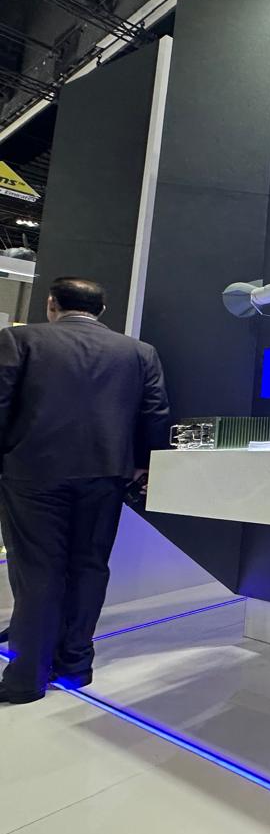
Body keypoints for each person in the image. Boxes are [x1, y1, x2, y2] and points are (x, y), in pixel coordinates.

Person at [0, 277, 170, 704]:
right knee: (90, 567)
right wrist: (143, 465)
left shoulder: (20, 340)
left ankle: (26, 678)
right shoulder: (139, 352)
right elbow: (155, 413)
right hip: (107, 476)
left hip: (33, 474)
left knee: (37, 571)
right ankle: (75, 664)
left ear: (51, 304)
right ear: (101, 310)